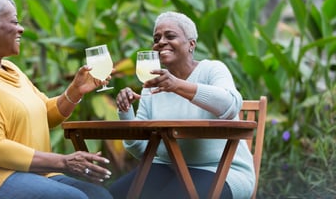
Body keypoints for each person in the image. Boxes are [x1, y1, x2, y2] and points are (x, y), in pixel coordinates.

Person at [0, 0, 113, 199]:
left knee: (100, 195)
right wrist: (63, 162)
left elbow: (46, 114)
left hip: (36, 175)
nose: (21, 30)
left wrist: (75, 91)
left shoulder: (12, 70)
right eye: (15, 22)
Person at [109, 11, 255, 199]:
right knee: (109, 195)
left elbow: (230, 105)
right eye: (156, 38)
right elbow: (141, 149)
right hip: (166, 168)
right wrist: (126, 111)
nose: (161, 42)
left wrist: (177, 85)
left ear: (191, 44)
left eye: (170, 36)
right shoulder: (152, 83)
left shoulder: (212, 69)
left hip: (220, 169)